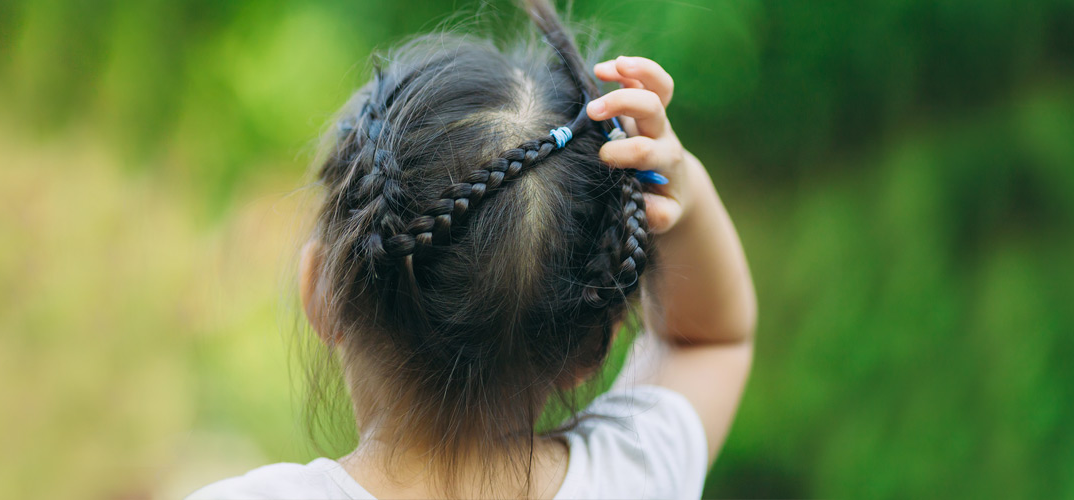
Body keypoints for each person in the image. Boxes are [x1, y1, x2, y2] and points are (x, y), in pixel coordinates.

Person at [188, 1, 755, 498]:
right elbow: (710, 340)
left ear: (321, 289)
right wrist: (684, 187)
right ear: (590, 350)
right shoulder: (633, 476)